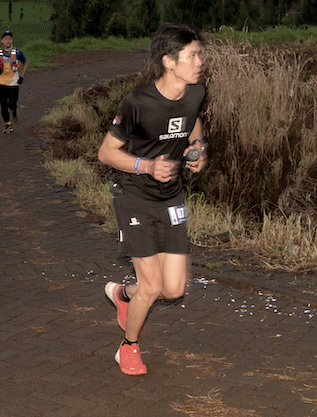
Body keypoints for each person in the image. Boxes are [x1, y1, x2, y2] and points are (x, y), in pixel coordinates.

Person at [97, 23, 207, 376]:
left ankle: (124, 295)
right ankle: (128, 347)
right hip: (134, 197)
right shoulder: (137, 102)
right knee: (154, 285)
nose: (200, 61)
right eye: (193, 55)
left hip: (171, 197)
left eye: (199, 54)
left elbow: (193, 121)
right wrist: (146, 165)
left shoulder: (196, 92)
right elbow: (106, 153)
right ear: (169, 62)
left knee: (173, 289)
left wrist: (197, 149)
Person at [0, 30, 28, 134]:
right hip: (1, 83)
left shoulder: (18, 53)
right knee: (3, 105)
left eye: (10, 39)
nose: (8, 41)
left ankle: (14, 110)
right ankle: (8, 124)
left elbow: (25, 63)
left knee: (11, 104)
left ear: (12, 40)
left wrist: (22, 76)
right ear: (2, 40)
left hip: (13, 83)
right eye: (6, 39)